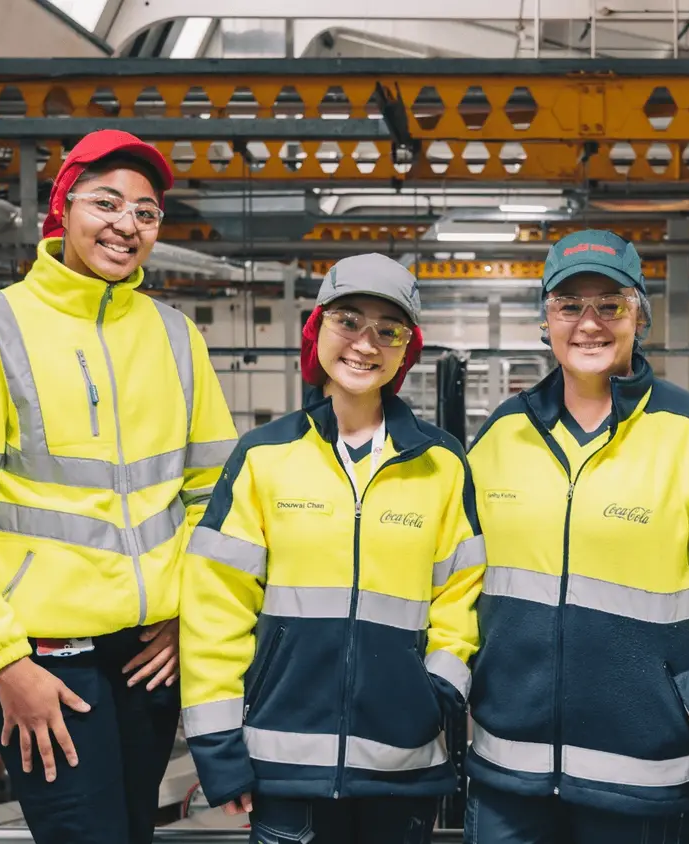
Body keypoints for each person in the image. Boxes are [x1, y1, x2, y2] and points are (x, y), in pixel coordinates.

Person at [0, 130, 237, 844]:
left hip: (151, 652)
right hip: (45, 656)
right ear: (63, 209)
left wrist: (190, 615)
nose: (127, 225)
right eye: (107, 202)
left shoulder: (176, 335)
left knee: (131, 831)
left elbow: (217, 494)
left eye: (146, 212)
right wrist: (2, 663)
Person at [463, 229, 689, 844]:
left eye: (611, 304)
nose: (589, 323)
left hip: (649, 774)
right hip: (511, 771)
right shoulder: (504, 434)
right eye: (569, 305)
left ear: (641, 317)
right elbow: (457, 576)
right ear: (546, 320)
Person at [179, 253, 485, 844]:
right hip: (284, 766)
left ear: (405, 351)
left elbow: (461, 597)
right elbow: (217, 606)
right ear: (318, 329)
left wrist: (435, 695)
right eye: (349, 320)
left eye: (387, 330)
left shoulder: (441, 464)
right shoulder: (263, 457)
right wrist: (217, 746)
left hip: (403, 762)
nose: (365, 344)